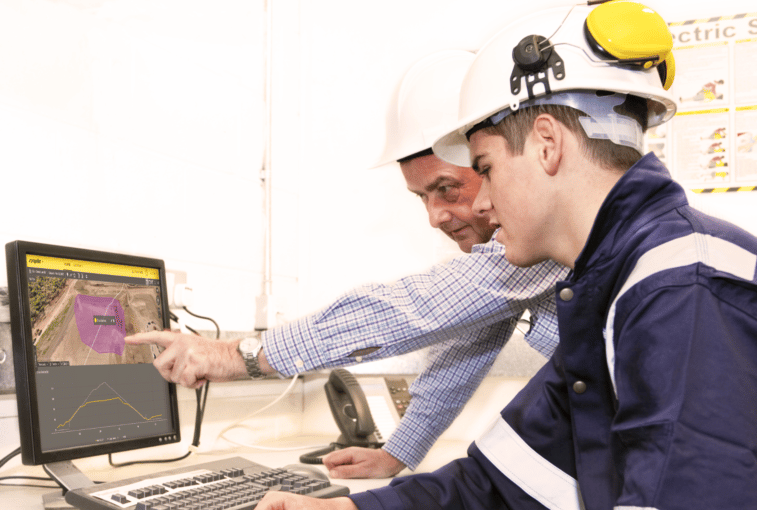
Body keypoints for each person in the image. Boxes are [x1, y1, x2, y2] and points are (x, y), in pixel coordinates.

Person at [241, 3, 757, 510]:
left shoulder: (684, 297)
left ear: (546, 144)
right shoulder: (617, 290)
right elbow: (504, 488)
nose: (479, 202)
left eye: (484, 169)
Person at [126, 50, 568, 479]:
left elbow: (414, 308)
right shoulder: (523, 256)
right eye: (422, 198)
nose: (434, 218)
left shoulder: (552, 224)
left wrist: (234, 356)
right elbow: (468, 341)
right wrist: (397, 452)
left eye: (448, 189)